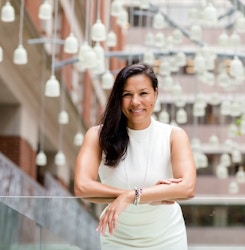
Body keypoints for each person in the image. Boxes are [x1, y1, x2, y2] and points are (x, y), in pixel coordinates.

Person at [74, 62, 196, 249]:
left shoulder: (173, 136)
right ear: (118, 98)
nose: (135, 102)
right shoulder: (97, 136)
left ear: (155, 94)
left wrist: (133, 196)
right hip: (118, 236)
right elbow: (82, 187)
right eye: (127, 95)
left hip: (167, 235)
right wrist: (130, 196)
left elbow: (187, 188)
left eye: (143, 93)